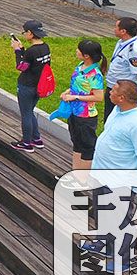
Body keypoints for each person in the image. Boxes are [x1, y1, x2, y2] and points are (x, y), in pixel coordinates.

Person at [47, 40, 104, 177]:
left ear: (86, 56)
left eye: (79, 50)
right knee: (77, 143)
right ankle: (75, 174)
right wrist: (68, 92)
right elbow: (78, 86)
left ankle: (83, 179)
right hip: (74, 113)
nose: (76, 51)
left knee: (86, 147)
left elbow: (98, 97)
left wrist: (76, 97)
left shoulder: (95, 75)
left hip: (86, 116)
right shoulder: (80, 66)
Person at [91, 80, 137, 173]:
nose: (109, 92)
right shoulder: (117, 109)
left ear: (121, 98)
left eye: (113, 91)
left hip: (119, 182)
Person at [11, 19, 51, 152]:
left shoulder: (31, 51)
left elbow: (21, 66)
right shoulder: (45, 47)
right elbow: (33, 62)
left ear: (30, 33)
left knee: (26, 114)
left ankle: (26, 143)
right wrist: (23, 50)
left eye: (24, 32)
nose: (24, 34)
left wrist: (17, 51)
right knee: (30, 111)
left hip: (26, 86)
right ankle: (36, 138)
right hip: (39, 85)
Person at [104, 16, 137, 120]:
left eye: (116, 27)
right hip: (113, 87)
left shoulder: (135, 49)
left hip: (124, 92)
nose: (114, 29)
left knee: (122, 120)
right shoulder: (121, 42)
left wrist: (136, 80)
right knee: (110, 119)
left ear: (123, 31)